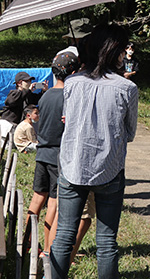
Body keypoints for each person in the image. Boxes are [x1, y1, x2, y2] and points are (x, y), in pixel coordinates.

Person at [49, 23, 138, 279]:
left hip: (72, 166)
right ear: (114, 51)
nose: (125, 54)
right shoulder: (127, 88)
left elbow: (67, 119)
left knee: (64, 235)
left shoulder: (72, 82)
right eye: (123, 49)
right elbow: (129, 133)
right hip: (110, 170)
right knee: (107, 242)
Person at [27, 51, 79, 255]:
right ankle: (48, 251)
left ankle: (27, 242)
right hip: (59, 155)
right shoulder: (69, 96)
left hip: (42, 152)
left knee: (37, 199)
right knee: (54, 205)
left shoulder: (46, 94)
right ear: (74, 72)